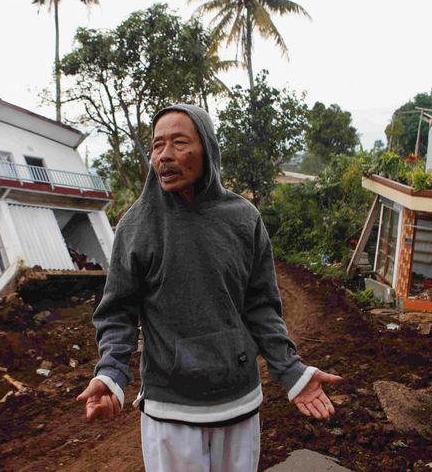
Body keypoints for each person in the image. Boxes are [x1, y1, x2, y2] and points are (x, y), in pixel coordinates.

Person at [77, 104, 341, 471]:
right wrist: (111, 373)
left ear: (207, 150)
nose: (165, 155)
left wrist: (292, 371)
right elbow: (118, 313)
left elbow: (262, 307)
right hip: (171, 412)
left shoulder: (243, 219)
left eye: (179, 142)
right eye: (157, 145)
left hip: (239, 405)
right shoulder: (136, 227)